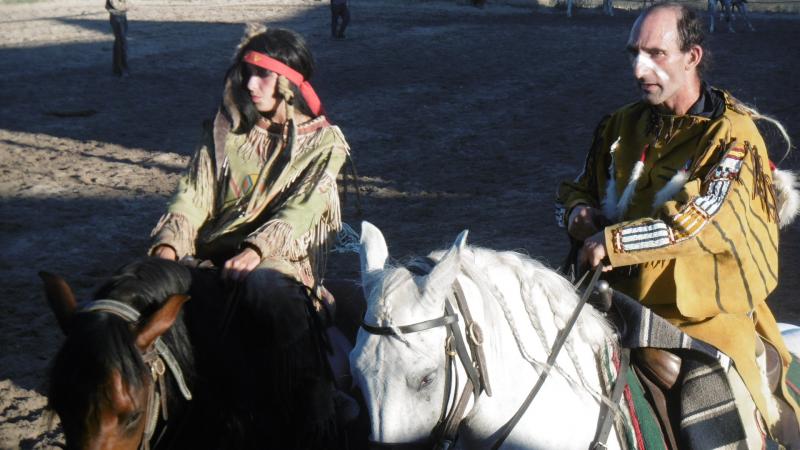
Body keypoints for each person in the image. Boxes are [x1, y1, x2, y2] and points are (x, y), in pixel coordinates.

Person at [555, 3, 799, 447]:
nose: (639, 68)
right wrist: (576, 213)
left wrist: (612, 241)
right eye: (634, 53)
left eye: (655, 54)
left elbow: (699, 223)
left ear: (692, 56)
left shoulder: (733, 137)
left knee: (711, 403)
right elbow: (575, 188)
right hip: (608, 300)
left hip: (699, 317)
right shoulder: (619, 125)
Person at [150, 25, 353, 447]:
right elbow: (194, 192)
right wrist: (170, 242)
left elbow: (303, 209)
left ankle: (313, 398)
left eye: (262, 74)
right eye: (247, 73)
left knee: (266, 289)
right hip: (210, 248)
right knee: (141, 280)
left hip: (281, 257)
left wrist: (257, 249)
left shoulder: (325, 143)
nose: (250, 84)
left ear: (289, 83)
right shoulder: (227, 130)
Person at [106, 0, 129, 77]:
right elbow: (109, 6)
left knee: (120, 41)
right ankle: (120, 68)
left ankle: (118, 68)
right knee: (121, 41)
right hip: (117, 15)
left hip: (121, 15)